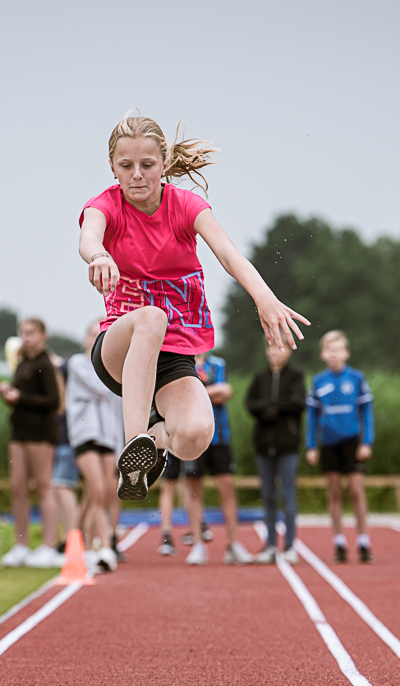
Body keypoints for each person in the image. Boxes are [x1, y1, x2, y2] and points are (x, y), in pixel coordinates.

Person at [78, 112, 307, 502]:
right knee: (152, 317)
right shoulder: (106, 206)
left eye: (147, 165)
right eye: (126, 166)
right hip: (122, 346)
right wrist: (98, 256)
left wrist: (264, 298)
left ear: (163, 165)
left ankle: (153, 439)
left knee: (197, 435)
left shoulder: (186, 206)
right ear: (112, 168)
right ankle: (133, 446)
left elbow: (229, 254)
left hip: (173, 357)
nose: (137, 175)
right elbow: (89, 237)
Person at [0, 319, 64, 569]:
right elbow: (22, 396)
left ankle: (48, 544)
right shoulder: (23, 362)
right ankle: (21, 544)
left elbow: (54, 400)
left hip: (41, 433)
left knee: (43, 486)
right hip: (20, 431)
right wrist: (9, 395)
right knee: (18, 488)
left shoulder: (45, 364)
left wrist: (20, 397)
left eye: (32, 333)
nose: (27, 337)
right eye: (23, 333)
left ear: (43, 335)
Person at [306, 330, 375, 564]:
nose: (334, 354)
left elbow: (367, 412)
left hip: (352, 441)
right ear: (323, 354)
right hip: (329, 442)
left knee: (356, 490)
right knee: (334, 493)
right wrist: (311, 445)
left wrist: (367, 441)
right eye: (329, 350)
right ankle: (339, 542)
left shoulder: (356, 378)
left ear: (346, 352)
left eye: (338, 350)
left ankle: (364, 540)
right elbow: (312, 416)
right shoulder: (318, 381)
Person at [178, 351, 250, 566]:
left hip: (219, 436)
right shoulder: (181, 362)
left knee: (227, 486)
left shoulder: (219, 364)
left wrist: (198, 393)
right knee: (193, 489)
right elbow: (182, 395)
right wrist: (211, 393)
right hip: (191, 436)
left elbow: (226, 392)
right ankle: (198, 544)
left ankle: (234, 544)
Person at [67, 321, 124, 572]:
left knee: (97, 494)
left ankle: (73, 543)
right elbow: (101, 388)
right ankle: (103, 547)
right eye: (94, 335)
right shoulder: (78, 364)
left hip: (108, 438)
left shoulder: (114, 370)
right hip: (85, 434)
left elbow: (118, 408)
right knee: (98, 491)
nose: (96, 339)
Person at [246, 338, 307, 564]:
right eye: (270, 347)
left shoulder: (296, 376)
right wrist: (270, 408)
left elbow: (298, 403)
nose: (274, 353)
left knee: (288, 497)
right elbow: (250, 404)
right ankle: (271, 544)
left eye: (279, 348)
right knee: (268, 497)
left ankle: (290, 544)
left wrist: (272, 407)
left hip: (287, 445)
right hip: (263, 445)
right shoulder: (259, 377)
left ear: (289, 351)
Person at [49, 352, 80, 554]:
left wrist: (57, 362)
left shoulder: (70, 374)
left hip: (68, 441)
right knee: (57, 489)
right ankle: (65, 537)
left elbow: (69, 368)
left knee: (62, 486)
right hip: (59, 441)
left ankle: (72, 537)